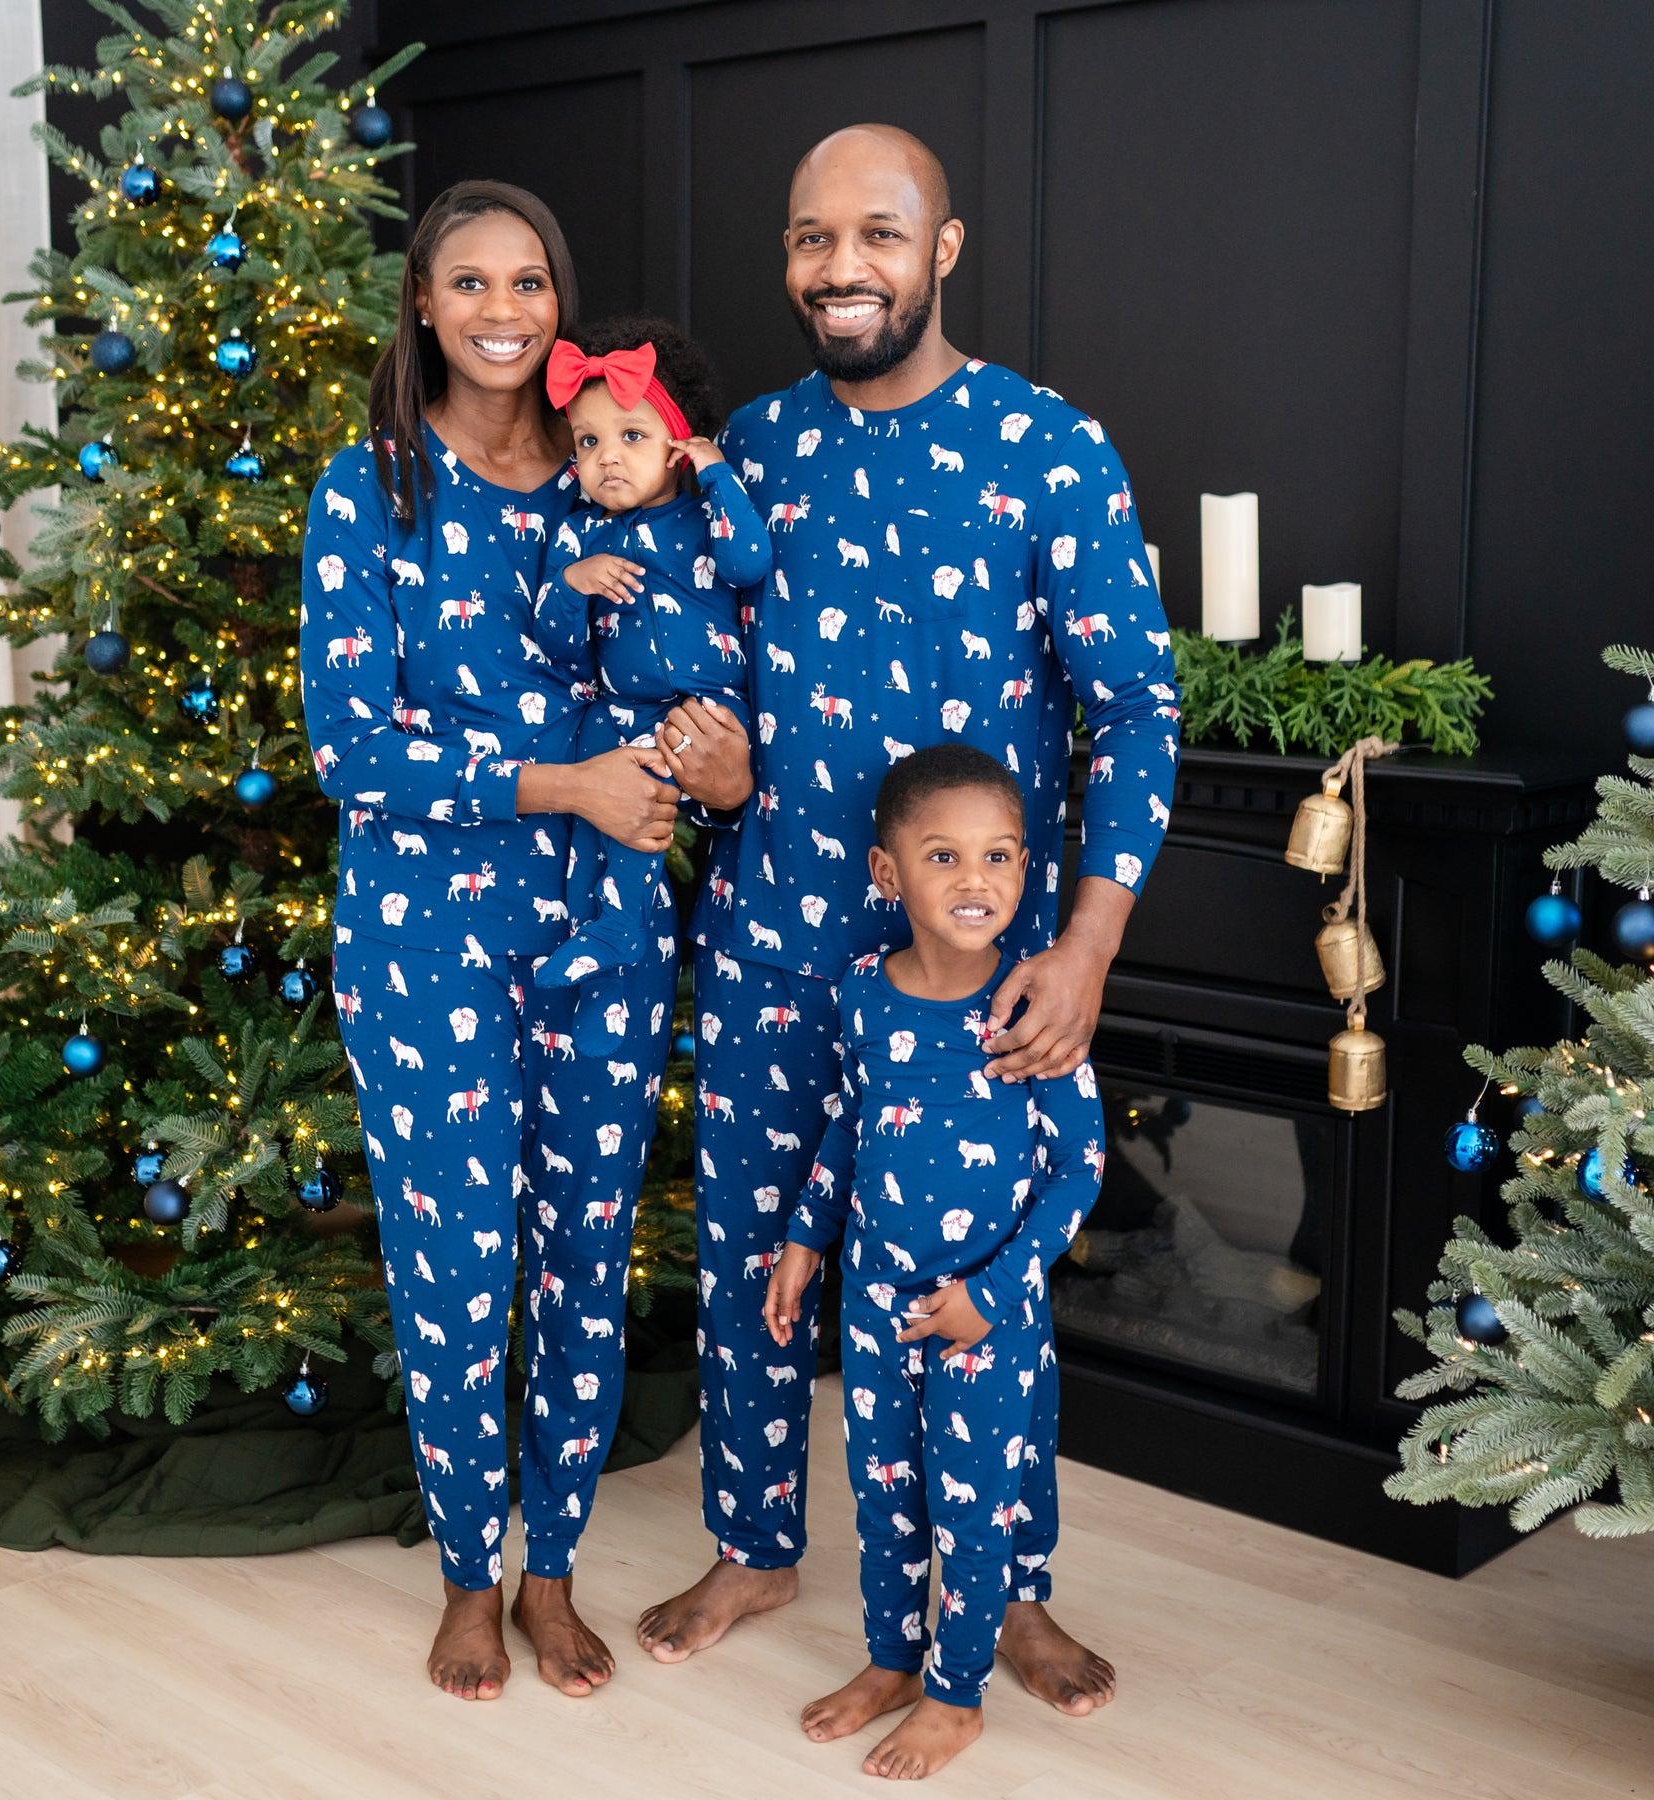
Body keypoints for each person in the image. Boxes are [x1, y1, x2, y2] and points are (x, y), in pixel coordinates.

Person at [638, 124, 1180, 1717]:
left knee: (972, 1292)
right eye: (813, 239)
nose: (841, 267)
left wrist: (1081, 945)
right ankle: (755, 1542)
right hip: (769, 945)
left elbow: (1136, 714)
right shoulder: (747, 450)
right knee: (756, 1251)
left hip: (970, 972)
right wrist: (719, 764)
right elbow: (699, 669)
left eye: (877, 235)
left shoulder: (1048, 446)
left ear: (941, 251)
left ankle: (1002, 1596)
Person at [300, 180, 723, 1703]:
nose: (500, 309)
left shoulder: (622, 473)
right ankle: (468, 1577)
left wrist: (688, 766)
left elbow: (685, 657)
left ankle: (554, 1571)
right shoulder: (373, 489)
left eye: (529, 281)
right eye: (468, 282)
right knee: (456, 1269)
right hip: (428, 944)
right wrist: (561, 784)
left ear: (559, 302)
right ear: (423, 302)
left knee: (584, 1262)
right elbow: (350, 747)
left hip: (606, 926)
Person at [765, 744, 1106, 1779]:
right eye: (946, 857)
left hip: (984, 1322)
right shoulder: (862, 993)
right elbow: (847, 1125)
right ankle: (892, 1661)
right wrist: (802, 1238)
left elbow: (1079, 1172)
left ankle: (957, 1699)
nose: (977, 880)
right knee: (883, 1493)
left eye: (1000, 856)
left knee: (973, 1503)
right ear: (888, 875)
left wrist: (992, 1299)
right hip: (875, 1306)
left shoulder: (1034, 1002)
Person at [531, 319, 768, 1052]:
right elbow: (555, 642)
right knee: (586, 810)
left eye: (631, 437)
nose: (606, 459)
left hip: (702, 707)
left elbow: (749, 563)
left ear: (677, 442)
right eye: (589, 441)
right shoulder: (583, 536)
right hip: (621, 707)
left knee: (638, 806)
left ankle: (620, 928)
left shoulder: (701, 515)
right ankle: (599, 947)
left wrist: (718, 472)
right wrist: (572, 586)